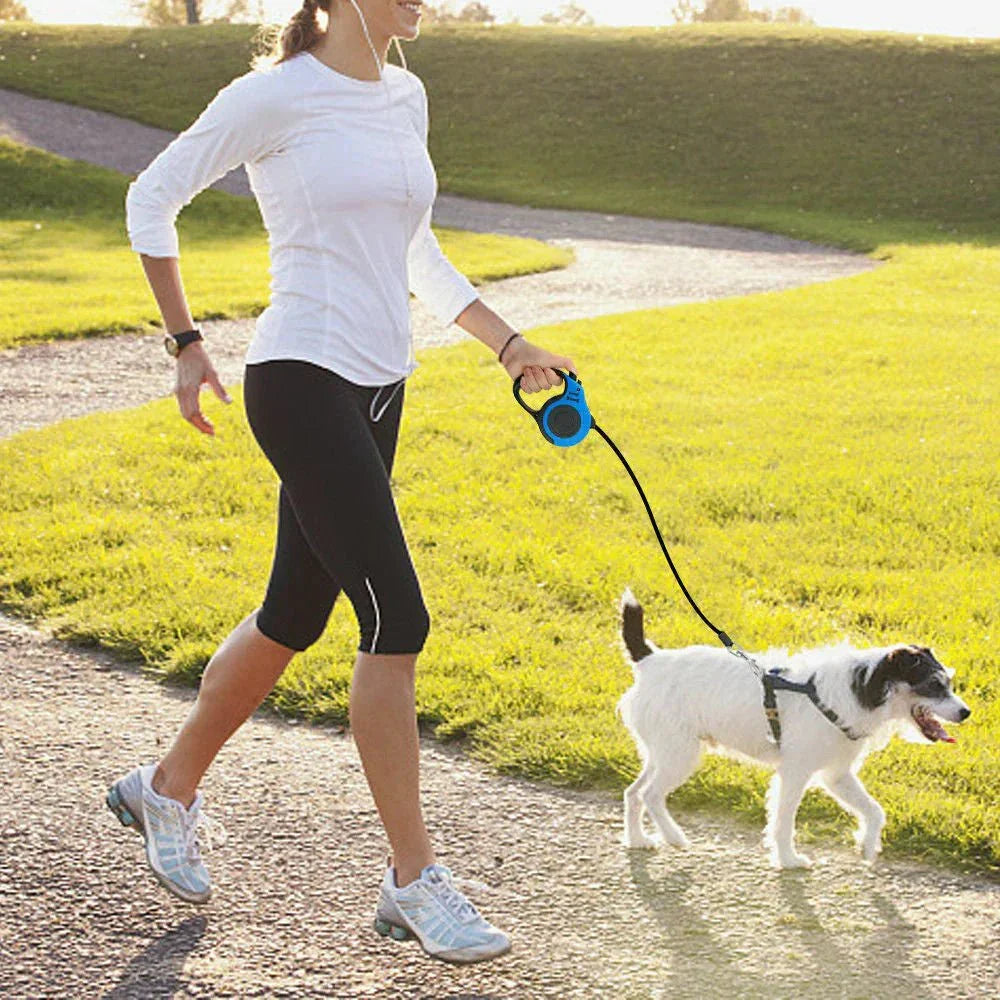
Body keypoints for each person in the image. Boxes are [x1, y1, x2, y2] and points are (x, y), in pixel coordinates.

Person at [106, 0, 576, 968]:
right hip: (300, 375)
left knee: (292, 613)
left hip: (378, 388)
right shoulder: (274, 95)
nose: (426, 2)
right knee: (396, 619)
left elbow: (416, 250)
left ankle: (166, 785)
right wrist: (187, 346)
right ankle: (412, 877)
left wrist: (508, 345)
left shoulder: (404, 94)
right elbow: (150, 197)